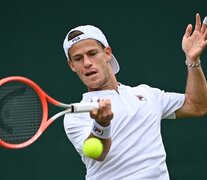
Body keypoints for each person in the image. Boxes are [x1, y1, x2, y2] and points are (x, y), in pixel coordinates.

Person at [62, 13, 207, 180]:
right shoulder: (74, 115)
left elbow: (198, 105)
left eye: (92, 53)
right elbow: (97, 153)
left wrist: (192, 59)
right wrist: (102, 124)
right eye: (78, 58)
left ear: (107, 53)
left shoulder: (146, 94)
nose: (87, 63)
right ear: (72, 65)